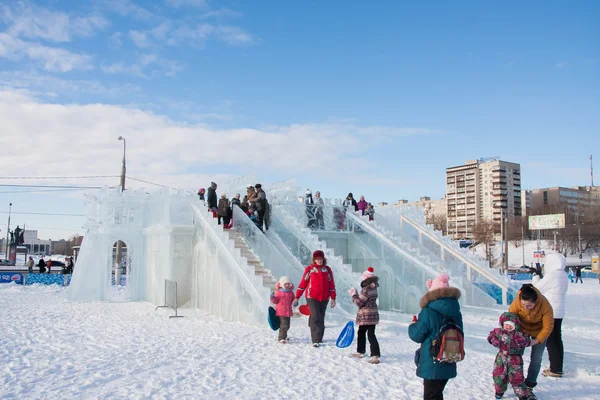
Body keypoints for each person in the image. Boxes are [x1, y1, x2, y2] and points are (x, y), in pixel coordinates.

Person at [409, 273, 463, 400]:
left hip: (433, 361)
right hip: (450, 357)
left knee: (431, 396)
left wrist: (413, 325)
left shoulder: (428, 311)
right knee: (437, 394)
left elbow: (416, 335)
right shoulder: (456, 311)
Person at [508, 284, 554, 394]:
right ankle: (516, 380)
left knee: (536, 358)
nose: (525, 308)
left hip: (539, 331)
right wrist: (512, 332)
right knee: (515, 355)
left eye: (529, 306)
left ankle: (530, 384)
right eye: (523, 305)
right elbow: (510, 317)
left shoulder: (545, 305)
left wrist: (537, 340)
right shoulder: (517, 301)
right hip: (522, 329)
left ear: (536, 302)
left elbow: (548, 326)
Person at [532, 253, 568, 378]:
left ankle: (555, 369)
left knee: (550, 340)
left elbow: (536, 289)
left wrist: (536, 276)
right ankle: (558, 366)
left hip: (550, 311)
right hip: (560, 311)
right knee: (557, 339)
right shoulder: (563, 274)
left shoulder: (553, 275)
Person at [293, 250, 336, 347]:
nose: (319, 261)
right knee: (316, 316)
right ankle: (315, 340)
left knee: (320, 317)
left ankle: (319, 338)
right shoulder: (309, 269)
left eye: (320, 259)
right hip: (311, 296)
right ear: (314, 260)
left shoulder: (327, 270)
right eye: (317, 259)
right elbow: (303, 283)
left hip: (324, 297)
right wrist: (297, 297)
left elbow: (331, 284)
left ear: (323, 259)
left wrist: (333, 298)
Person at [488, 312, 532, 400]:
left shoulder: (519, 334)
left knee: (517, 377)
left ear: (515, 325)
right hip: (501, 357)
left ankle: (521, 394)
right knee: (499, 375)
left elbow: (527, 341)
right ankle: (499, 391)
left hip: (515, 359)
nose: (508, 326)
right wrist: (494, 340)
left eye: (511, 325)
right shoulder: (498, 332)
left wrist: (523, 341)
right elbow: (490, 336)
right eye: (506, 324)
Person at [349, 266, 381, 364]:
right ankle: (374, 353)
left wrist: (354, 295)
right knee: (371, 333)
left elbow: (360, 302)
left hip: (366, 315)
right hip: (373, 313)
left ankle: (363, 351)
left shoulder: (366, 289)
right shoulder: (374, 287)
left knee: (362, 332)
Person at [270, 276, 295, 343]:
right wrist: (272, 298)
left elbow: (293, 300)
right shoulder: (278, 292)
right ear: (281, 284)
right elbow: (275, 301)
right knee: (284, 324)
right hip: (281, 311)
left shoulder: (291, 293)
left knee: (287, 325)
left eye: (288, 284)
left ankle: (284, 336)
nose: (287, 285)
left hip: (288, 311)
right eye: (285, 284)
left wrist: (295, 302)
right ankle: (281, 338)